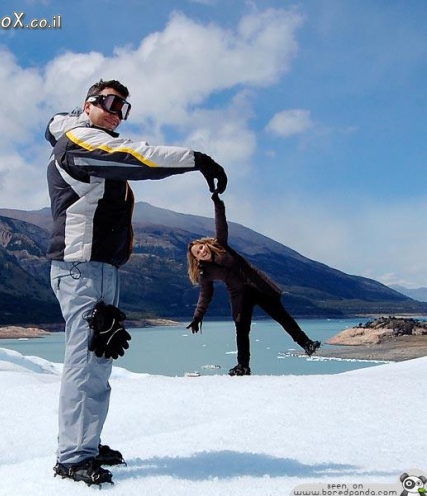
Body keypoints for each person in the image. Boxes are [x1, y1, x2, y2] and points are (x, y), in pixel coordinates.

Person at [45, 79, 227, 487]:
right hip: (81, 268)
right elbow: (136, 156)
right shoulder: (79, 141)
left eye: (123, 107)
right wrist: (195, 158)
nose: (115, 112)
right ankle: (73, 456)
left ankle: (85, 442)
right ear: (87, 104)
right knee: (85, 359)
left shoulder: (91, 141)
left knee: (100, 355)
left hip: (100, 267)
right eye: (109, 102)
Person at [186, 192, 320, 376]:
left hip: (258, 287)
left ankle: (307, 344)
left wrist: (217, 202)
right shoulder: (205, 273)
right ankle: (243, 366)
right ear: (195, 258)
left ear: (206, 245)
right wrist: (197, 317)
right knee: (242, 331)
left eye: (201, 247)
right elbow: (205, 295)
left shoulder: (221, 245)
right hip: (240, 297)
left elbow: (221, 223)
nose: (201, 251)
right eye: (197, 252)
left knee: (283, 317)